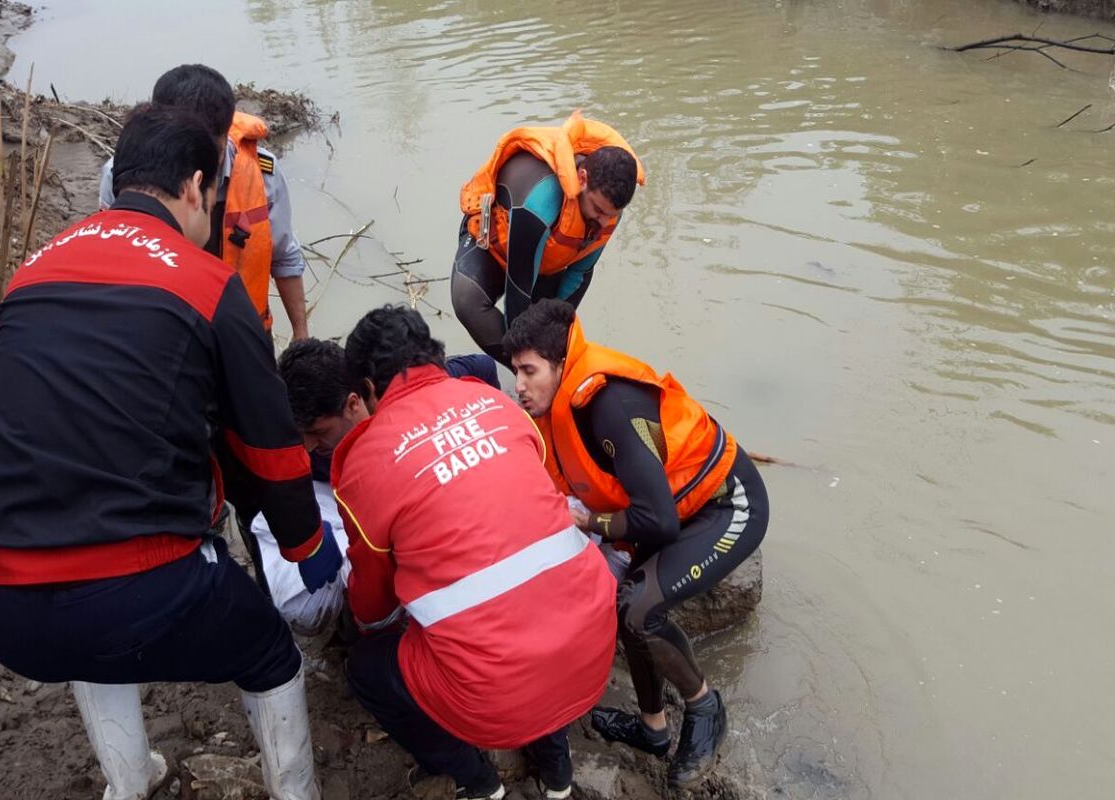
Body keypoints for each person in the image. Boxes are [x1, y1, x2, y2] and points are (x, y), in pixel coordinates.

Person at [0, 104, 341, 800]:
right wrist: (306, 546)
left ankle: (128, 784)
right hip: (140, 593)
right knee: (268, 652)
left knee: (90, 642)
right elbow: (268, 446)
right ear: (195, 187)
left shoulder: (29, 274)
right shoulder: (207, 283)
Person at [331, 306, 617, 800]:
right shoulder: (498, 403)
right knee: (534, 600)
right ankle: (557, 772)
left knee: (367, 668)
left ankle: (476, 781)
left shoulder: (365, 458)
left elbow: (373, 607)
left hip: (493, 697)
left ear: (369, 389)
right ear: (433, 356)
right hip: (592, 648)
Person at [502, 300, 770, 790]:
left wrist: (591, 522)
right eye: (514, 370)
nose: (518, 385)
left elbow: (659, 522)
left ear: (560, 364)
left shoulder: (610, 406)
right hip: (669, 508)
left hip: (725, 503)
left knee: (638, 608)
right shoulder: (557, 407)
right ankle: (652, 729)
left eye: (528, 371)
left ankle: (704, 706)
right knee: (628, 600)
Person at [249, 340, 501, 631]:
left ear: (353, 403)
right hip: (333, 497)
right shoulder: (304, 445)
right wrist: (306, 532)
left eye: (318, 432)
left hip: (399, 490)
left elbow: (483, 366)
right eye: (301, 434)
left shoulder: (406, 394)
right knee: (306, 609)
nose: (308, 446)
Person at [99, 64, 310, 339]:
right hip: (165, 333)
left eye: (210, 153)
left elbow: (284, 256)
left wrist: (301, 334)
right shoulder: (123, 176)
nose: (199, 167)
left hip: (244, 334)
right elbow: (114, 263)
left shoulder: (263, 174)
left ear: (226, 132)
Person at [452, 111, 644, 367]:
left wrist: (554, 339)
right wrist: (526, 362)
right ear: (582, 179)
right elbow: (519, 288)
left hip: (545, 260)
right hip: (496, 245)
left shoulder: (607, 212)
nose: (604, 222)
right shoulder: (541, 201)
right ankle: (524, 373)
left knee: (551, 340)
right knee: (467, 301)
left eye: (612, 215)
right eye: (598, 210)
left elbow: (580, 273)